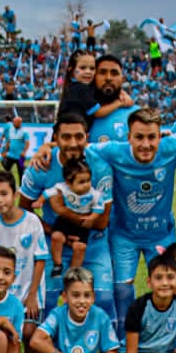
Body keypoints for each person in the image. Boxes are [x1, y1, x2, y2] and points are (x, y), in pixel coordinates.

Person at [86, 106, 176, 324]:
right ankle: (124, 337)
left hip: (161, 235)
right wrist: (48, 147)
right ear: (128, 137)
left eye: (151, 137)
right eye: (139, 137)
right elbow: (83, 149)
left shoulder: (171, 146)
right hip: (124, 235)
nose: (146, 144)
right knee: (122, 289)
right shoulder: (114, 150)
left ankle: (165, 336)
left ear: (160, 136)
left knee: (168, 286)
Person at [20, 110, 115, 317]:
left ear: (87, 137)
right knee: (48, 302)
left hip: (93, 242)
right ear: (55, 138)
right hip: (54, 241)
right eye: (66, 137)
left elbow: (101, 222)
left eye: (79, 137)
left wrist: (62, 212)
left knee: (104, 300)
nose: (73, 143)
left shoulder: (100, 168)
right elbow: (24, 209)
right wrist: (52, 230)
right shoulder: (41, 166)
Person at [0, 169, 50, 331]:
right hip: (2, 296)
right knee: (1, 336)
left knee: (29, 332)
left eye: (4, 194)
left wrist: (32, 296)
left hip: (29, 294)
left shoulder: (32, 221)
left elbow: (40, 260)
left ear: (15, 194)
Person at [46, 159, 107, 276]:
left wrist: (91, 218)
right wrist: (40, 201)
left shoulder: (93, 194)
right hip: (65, 221)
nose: (86, 185)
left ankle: (73, 272)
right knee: (56, 237)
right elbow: (48, 193)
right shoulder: (63, 187)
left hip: (81, 225)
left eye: (88, 180)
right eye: (82, 182)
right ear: (68, 182)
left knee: (80, 247)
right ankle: (57, 264)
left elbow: (99, 207)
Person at [0, 114, 31, 186]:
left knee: (21, 171)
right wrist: (5, 151)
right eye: (13, 122)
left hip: (20, 155)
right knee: (5, 165)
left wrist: (24, 152)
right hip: (11, 154)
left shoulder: (24, 132)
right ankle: (9, 183)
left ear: (19, 123)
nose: (13, 124)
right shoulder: (11, 130)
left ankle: (22, 186)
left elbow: (27, 143)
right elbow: (8, 141)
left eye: (15, 122)